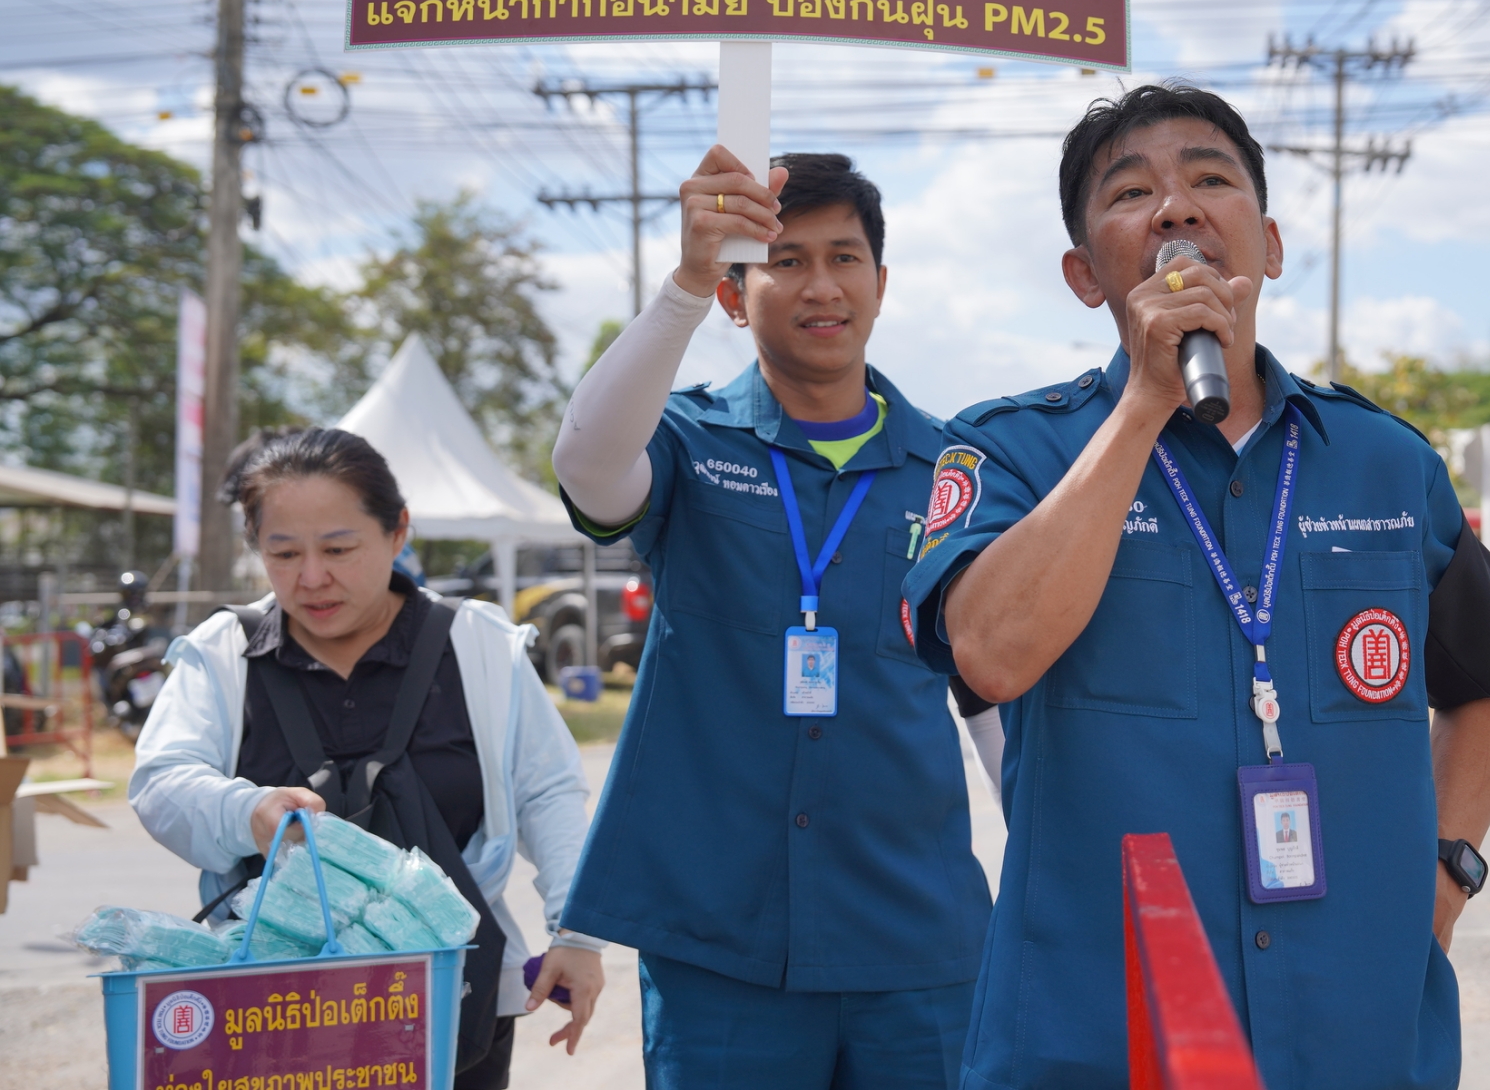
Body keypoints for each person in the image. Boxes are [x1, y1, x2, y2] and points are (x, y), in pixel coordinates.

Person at [904, 83, 1490, 1090]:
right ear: (1084, 275)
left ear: (1270, 245)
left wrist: (1448, 868)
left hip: (1358, 1033)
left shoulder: (1385, 462)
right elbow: (990, 652)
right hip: (1100, 1035)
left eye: (1210, 178)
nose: (1176, 208)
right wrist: (1145, 403)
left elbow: (1486, 683)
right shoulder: (1012, 450)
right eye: (1131, 193)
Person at [551, 148, 998, 1090]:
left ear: (881, 283)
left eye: (844, 257)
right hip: (720, 945)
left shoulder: (953, 471)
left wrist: (1050, 863)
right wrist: (681, 280)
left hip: (918, 942)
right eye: (786, 261)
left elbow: (989, 691)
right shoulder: (685, 438)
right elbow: (586, 467)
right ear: (732, 293)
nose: (821, 285)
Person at [130, 428, 606, 1089]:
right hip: (270, 1007)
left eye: (338, 548)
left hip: (452, 994)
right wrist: (248, 811)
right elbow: (161, 781)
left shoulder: (478, 645)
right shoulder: (221, 651)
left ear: (397, 531)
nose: (312, 577)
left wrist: (576, 933)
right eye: (283, 552)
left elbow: (547, 791)